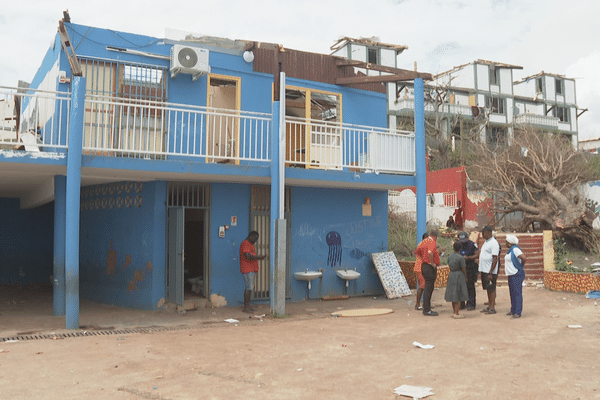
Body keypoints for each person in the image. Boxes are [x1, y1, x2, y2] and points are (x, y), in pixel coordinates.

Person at [414, 228, 441, 316]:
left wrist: (425, 259)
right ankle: (426, 309)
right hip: (427, 267)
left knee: (427, 288)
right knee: (427, 288)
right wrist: (431, 262)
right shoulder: (431, 241)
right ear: (436, 236)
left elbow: (417, 252)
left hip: (424, 266)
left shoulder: (423, 242)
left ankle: (426, 307)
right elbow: (430, 253)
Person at [239, 231, 267, 313]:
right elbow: (247, 256)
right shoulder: (245, 244)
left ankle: (248, 306)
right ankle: (246, 307)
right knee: (249, 287)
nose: (256, 241)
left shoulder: (249, 245)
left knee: (250, 288)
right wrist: (259, 257)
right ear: (251, 236)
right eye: (255, 238)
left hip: (251, 269)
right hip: (247, 269)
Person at [478, 225, 500, 314]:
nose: (482, 235)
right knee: (488, 288)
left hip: (490, 271)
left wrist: (491, 272)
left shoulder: (494, 243)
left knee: (492, 289)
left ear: (488, 233)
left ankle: (492, 307)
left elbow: (495, 258)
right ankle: (489, 305)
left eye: (483, 233)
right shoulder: (486, 242)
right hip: (485, 270)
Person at [504, 234, 527, 319]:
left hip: (516, 274)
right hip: (511, 274)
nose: (505, 243)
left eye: (506, 242)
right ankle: (513, 310)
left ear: (510, 243)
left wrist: (520, 266)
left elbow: (524, 258)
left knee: (517, 293)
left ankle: (518, 312)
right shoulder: (510, 250)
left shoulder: (515, 249)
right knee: (512, 293)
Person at [445, 241, 469, 319]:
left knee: (453, 293)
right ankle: (457, 312)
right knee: (458, 293)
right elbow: (463, 268)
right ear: (460, 248)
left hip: (452, 274)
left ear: (453, 248)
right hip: (459, 275)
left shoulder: (450, 256)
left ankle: (454, 311)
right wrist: (465, 277)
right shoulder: (461, 257)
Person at [458, 231, 479, 311]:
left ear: (467, 238)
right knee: (461, 286)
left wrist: (469, 258)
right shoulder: (458, 244)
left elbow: (477, 254)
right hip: (461, 268)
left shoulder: (472, 244)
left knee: (470, 286)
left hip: (470, 267)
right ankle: (462, 303)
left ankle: (471, 303)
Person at [413, 233, 429, 311]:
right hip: (420, 268)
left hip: (420, 268)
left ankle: (423, 304)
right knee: (422, 287)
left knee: (424, 286)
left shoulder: (422, 245)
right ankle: (417, 304)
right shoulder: (422, 245)